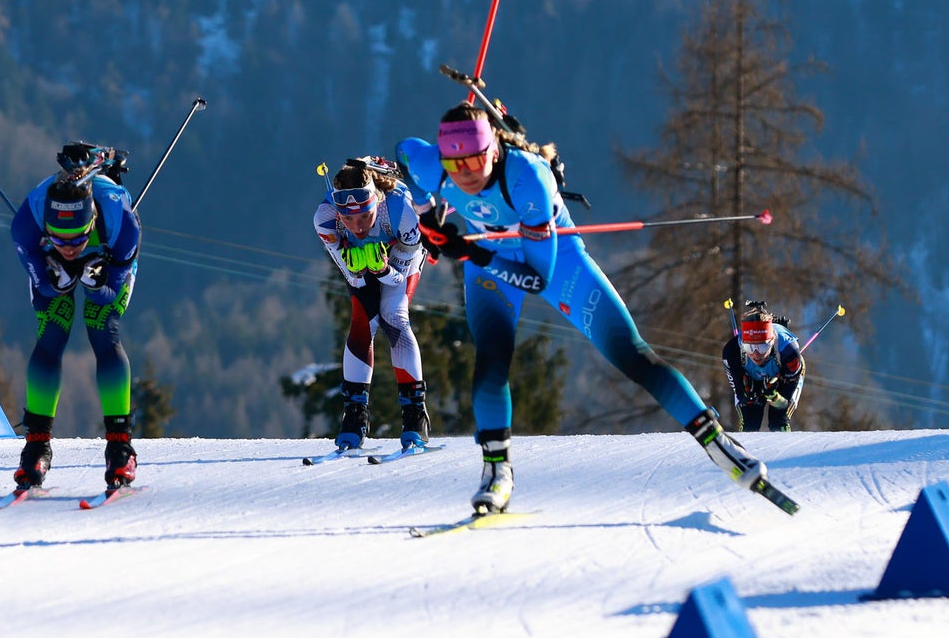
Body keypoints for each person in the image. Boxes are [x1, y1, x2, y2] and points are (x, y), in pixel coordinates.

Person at [397, 102, 766, 515]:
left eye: (476, 159)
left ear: (495, 149)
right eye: (455, 161)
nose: (465, 172)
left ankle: (715, 441)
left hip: (552, 258)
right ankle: (497, 471)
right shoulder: (432, 164)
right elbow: (404, 153)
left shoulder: (528, 178)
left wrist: (467, 251)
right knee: (491, 363)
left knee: (631, 353)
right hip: (488, 251)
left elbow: (536, 278)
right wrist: (428, 217)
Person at [8, 143, 142, 494]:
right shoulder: (27, 224)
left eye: (77, 238)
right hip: (47, 256)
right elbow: (40, 280)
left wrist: (100, 286)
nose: (70, 247)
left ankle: (120, 446)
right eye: (61, 239)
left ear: (92, 222)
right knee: (52, 331)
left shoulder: (121, 222)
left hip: (108, 255)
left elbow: (110, 294)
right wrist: (54, 280)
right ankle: (36, 445)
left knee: (103, 329)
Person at [313, 156, 429, 452]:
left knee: (394, 316)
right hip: (367, 265)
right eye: (348, 220)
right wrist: (363, 270)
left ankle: (415, 416)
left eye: (365, 216)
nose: (358, 226)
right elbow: (354, 276)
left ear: (376, 201)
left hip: (403, 255)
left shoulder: (400, 211)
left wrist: (383, 270)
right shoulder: (325, 218)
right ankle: (354, 415)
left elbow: (398, 279)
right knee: (362, 322)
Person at [722, 302, 805, 432]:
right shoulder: (731, 351)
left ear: (772, 342)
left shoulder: (789, 351)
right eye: (750, 347)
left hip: (784, 378)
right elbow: (740, 392)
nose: (756, 354)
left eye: (762, 347)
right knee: (749, 423)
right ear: (742, 344)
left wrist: (774, 396)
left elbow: (784, 400)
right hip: (751, 377)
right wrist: (748, 393)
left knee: (778, 421)